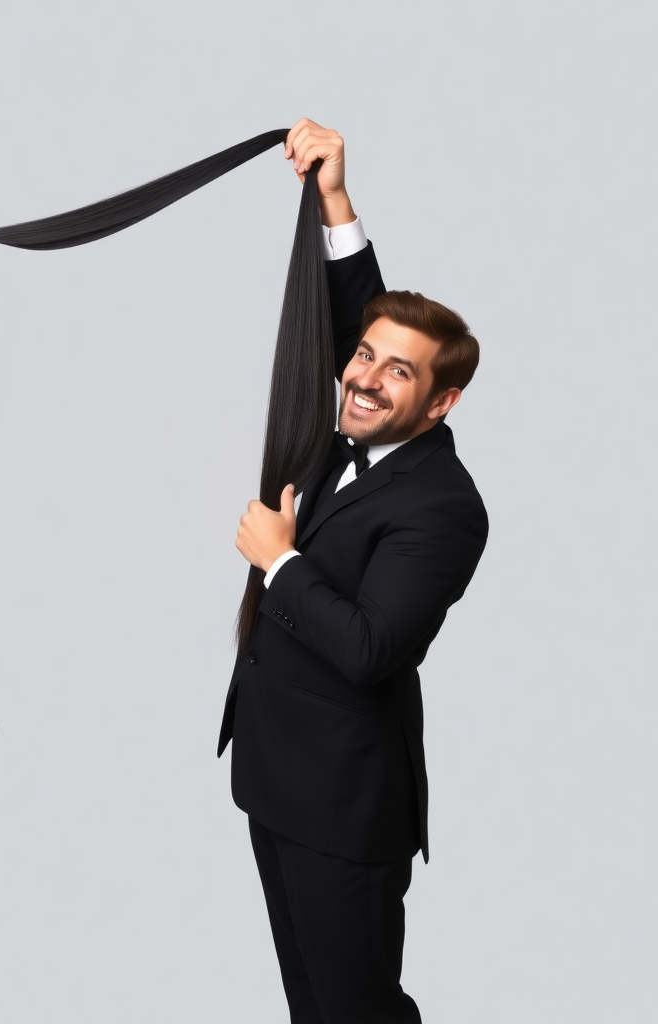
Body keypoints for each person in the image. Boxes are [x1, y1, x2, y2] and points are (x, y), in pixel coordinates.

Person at [219, 120, 488, 1023]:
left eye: (397, 373)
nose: (366, 379)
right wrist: (334, 194)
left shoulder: (443, 505)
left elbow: (372, 647)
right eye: (363, 357)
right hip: (275, 779)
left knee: (356, 1009)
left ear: (442, 402)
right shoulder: (361, 420)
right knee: (309, 1003)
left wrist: (279, 562)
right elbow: (363, 319)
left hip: (342, 812)